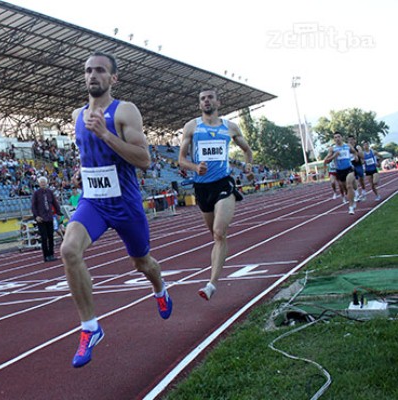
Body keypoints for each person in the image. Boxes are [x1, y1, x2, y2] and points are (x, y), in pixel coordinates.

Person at [60, 51, 172, 369]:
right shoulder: (76, 115)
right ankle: (90, 328)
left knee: (143, 263)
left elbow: (144, 159)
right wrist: (82, 169)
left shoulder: (124, 111)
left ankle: (160, 288)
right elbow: (89, 153)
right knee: (69, 249)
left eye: (100, 70)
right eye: (87, 70)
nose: (92, 75)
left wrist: (105, 134)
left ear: (113, 78)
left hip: (124, 203)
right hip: (93, 201)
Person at [178, 89, 254, 301]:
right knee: (215, 234)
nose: (206, 101)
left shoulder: (230, 127)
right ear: (199, 104)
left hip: (223, 182)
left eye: (210, 97)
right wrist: (195, 167)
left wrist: (248, 167)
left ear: (218, 102)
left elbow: (248, 151)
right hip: (202, 187)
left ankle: (211, 284)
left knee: (219, 232)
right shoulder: (191, 127)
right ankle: (217, 266)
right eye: (202, 98)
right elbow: (181, 160)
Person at [324, 132, 359, 214]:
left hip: (349, 169)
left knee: (349, 185)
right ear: (334, 139)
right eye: (335, 137)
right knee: (346, 189)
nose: (337, 139)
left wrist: (356, 156)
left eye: (339, 137)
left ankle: (351, 208)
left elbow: (354, 151)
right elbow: (327, 161)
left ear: (342, 137)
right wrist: (334, 156)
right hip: (339, 171)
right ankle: (353, 200)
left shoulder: (348, 146)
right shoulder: (332, 149)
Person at [31, 176, 61, 262]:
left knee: (51, 237)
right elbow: (33, 206)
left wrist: (58, 213)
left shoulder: (50, 192)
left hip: (49, 217)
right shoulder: (36, 193)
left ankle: (51, 254)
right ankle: (46, 256)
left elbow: (55, 203)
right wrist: (36, 216)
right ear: (39, 184)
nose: (43, 184)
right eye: (41, 182)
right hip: (41, 218)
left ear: (46, 183)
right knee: (44, 238)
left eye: (44, 182)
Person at [348, 135, 366, 201]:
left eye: (352, 140)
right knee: (353, 180)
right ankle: (356, 194)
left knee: (361, 180)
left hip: (358, 164)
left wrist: (356, 153)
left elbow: (362, 156)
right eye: (349, 140)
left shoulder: (358, 147)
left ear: (354, 140)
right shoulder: (347, 148)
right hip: (351, 166)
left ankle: (363, 191)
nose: (350, 141)